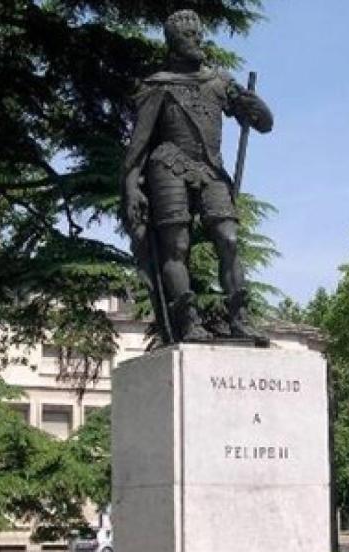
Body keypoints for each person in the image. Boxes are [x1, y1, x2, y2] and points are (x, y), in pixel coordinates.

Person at [121, 9, 273, 343]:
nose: (198, 40)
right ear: (174, 43)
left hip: (211, 168)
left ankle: (240, 319)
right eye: (190, 36)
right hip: (168, 165)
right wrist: (132, 188)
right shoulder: (157, 85)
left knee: (229, 239)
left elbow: (263, 124)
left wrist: (256, 106)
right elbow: (139, 144)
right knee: (177, 245)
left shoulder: (219, 82)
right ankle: (188, 321)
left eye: (199, 34)